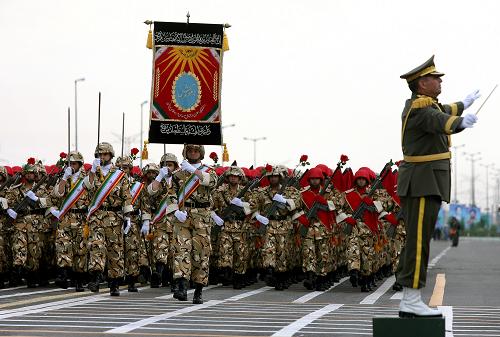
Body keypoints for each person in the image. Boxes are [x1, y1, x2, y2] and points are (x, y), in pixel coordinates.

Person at [396, 55, 480, 317]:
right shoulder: (421, 110)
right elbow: (438, 120)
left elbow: (443, 111)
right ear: (421, 84)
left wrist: (463, 105)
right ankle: (410, 298)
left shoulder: (426, 106)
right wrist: (460, 124)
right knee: (418, 242)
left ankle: (411, 297)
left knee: (420, 240)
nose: (439, 80)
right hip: (422, 182)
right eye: (434, 77)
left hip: (426, 181)